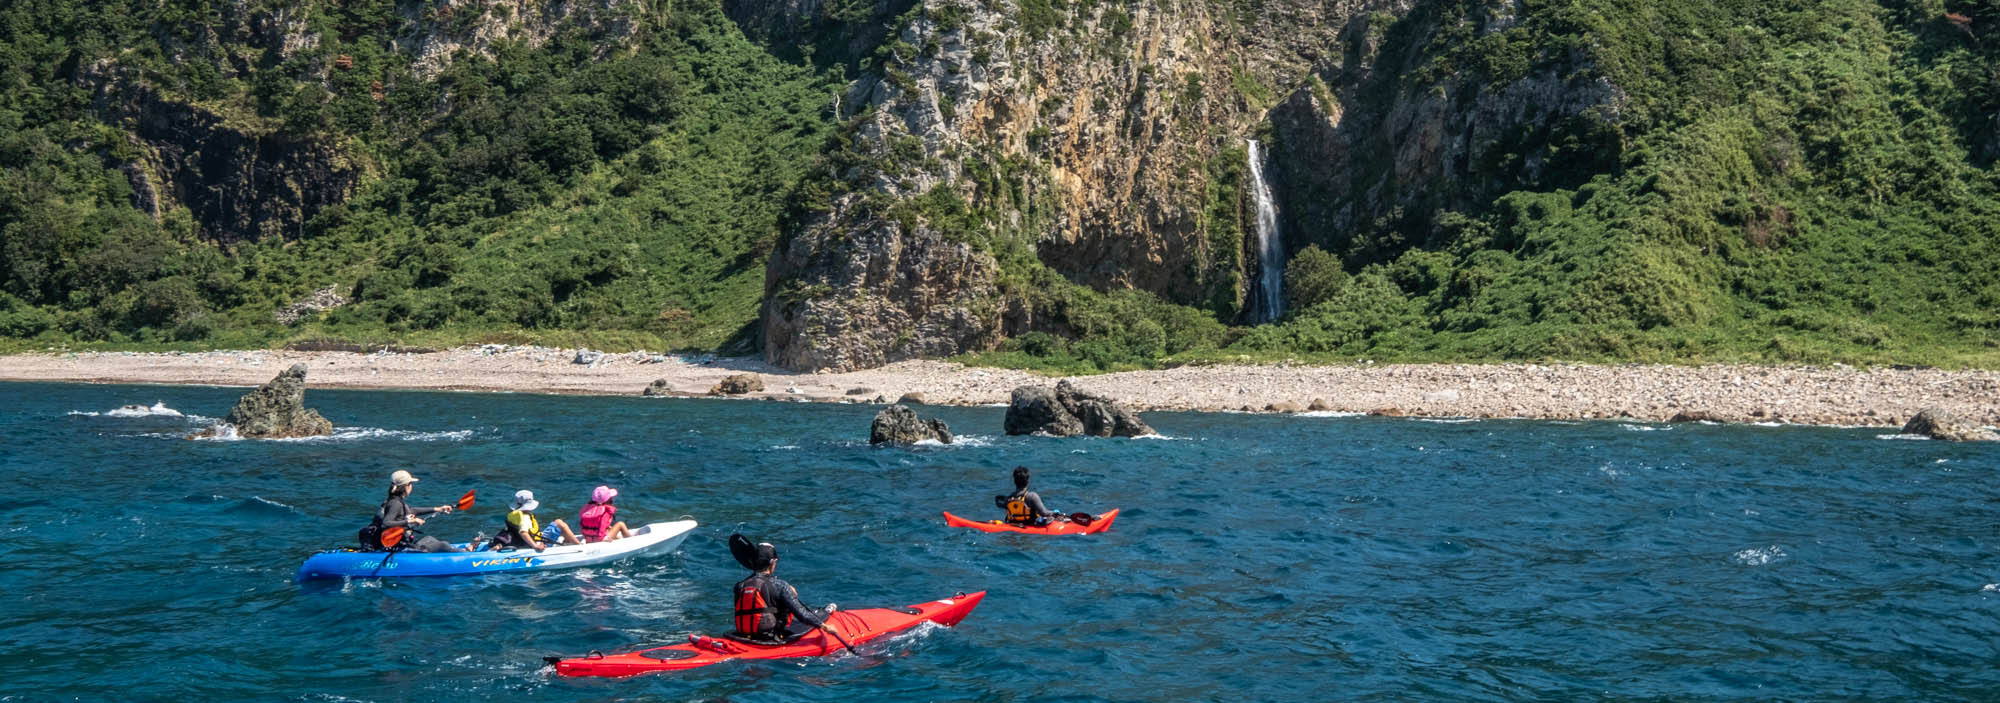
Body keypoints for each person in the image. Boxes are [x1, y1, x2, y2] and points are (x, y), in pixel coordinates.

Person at [732, 538, 840, 643]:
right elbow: (802, 615)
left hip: (744, 635)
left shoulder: (740, 585)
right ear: (773, 562)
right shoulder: (779, 585)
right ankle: (825, 612)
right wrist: (824, 626)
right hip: (770, 637)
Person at [360, 469, 463, 552]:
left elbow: (412, 510)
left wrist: (438, 509)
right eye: (410, 484)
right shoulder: (395, 503)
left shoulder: (396, 501)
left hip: (402, 544)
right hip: (399, 548)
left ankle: (464, 551)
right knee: (443, 545)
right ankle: (467, 554)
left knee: (430, 539)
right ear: (406, 486)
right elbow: (386, 523)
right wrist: (411, 521)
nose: (411, 487)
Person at [489, 489, 579, 552]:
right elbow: (523, 532)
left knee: (557, 525)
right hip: (535, 542)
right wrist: (535, 546)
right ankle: (578, 546)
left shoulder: (514, 514)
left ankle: (567, 542)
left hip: (523, 541)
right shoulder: (525, 518)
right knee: (559, 523)